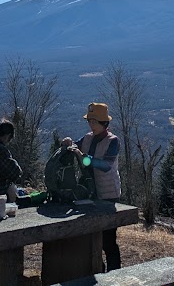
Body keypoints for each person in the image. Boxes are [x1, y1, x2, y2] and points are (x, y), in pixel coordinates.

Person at [61, 102, 122, 272]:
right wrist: (68, 143)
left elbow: (105, 165)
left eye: (94, 122)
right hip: (91, 194)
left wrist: (84, 158)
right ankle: (98, 270)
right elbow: (76, 145)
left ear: (104, 123)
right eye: (89, 122)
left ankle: (114, 273)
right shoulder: (87, 138)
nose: (91, 125)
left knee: (108, 240)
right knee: (93, 237)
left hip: (109, 195)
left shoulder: (113, 141)